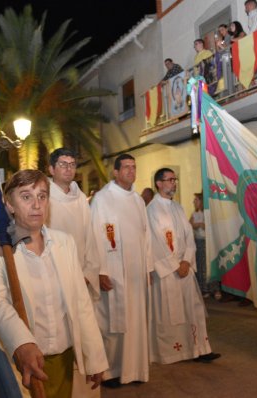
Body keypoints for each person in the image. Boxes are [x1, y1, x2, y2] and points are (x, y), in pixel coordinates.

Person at [0, 170, 108, 396]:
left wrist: (95, 357)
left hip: (67, 359)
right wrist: (22, 343)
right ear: (9, 204)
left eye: (42, 196)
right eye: (26, 196)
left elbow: (81, 302)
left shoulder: (64, 243)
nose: (37, 205)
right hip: (25, 362)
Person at [90, 154, 152, 387]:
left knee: (136, 321)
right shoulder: (102, 199)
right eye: (125, 167)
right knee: (113, 323)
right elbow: (95, 235)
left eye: (134, 167)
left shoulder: (137, 200)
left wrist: (149, 268)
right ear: (115, 172)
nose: (130, 171)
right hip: (114, 271)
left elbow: (145, 236)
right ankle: (111, 372)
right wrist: (101, 270)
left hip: (137, 274)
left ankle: (135, 369)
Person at [148, 168, 221, 365]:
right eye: (169, 180)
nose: (174, 183)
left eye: (175, 179)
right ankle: (172, 352)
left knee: (193, 310)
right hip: (167, 273)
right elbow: (155, 243)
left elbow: (189, 237)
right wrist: (175, 264)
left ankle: (200, 349)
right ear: (159, 183)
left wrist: (187, 260)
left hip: (185, 267)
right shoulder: (151, 210)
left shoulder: (178, 208)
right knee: (171, 314)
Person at [46, 147, 102, 398]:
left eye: (72, 164)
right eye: (62, 164)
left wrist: (90, 271)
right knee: (64, 335)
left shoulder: (81, 198)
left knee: (85, 331)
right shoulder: (44, 197)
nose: (69, 168)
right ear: (51, 169)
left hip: (81, 275)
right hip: (55, 277)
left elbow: (90, 237)